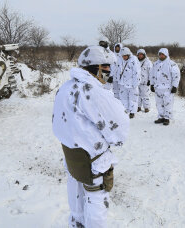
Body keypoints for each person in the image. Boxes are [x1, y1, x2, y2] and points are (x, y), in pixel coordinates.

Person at [52, 46, 130, 228]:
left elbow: (58, 125)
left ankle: (77, 223)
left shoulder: (66, 87)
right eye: (106, 67)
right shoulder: (91, 90)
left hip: (73, 156)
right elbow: (119, 128)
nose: (109, 72)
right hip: (93, 160)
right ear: (96, 67)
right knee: (96, 198)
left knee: (76, 191)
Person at [150, 48, 180, 126]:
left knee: (168, 103)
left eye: (163, 54)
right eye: (160, 54)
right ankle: (161, 117)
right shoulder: (155, 64)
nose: (161, 56)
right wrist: (152, 84)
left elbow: (176, 76)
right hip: (158, 88)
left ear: (166, 54)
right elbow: (152, 75)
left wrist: (175, 86)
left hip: (168, 88)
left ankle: (167, 118)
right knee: (159, 103)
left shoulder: (172, 64)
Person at [118, 47, 141, 119]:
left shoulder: (133, 60)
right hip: (123, 83)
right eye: (123, 56)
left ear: (128, 55)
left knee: (133, 98)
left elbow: (136, 72)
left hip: (132, 84)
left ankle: (132, 112)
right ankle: (124, 110)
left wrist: (135, 83)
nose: (124, 57)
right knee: (123, 98)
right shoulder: (120, 60)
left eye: (125, 56)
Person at [137, 49, 153, 113]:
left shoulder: (148, 62)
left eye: (141, 54)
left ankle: (146, 107)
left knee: (145, 95)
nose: (140, 56)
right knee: (137, 95)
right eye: (139, 54)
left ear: (144, 55)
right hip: (137, 82)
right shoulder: (135, 62)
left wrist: (150, 80)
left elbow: (151, 72)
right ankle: (138, 107)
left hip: (145, 82)